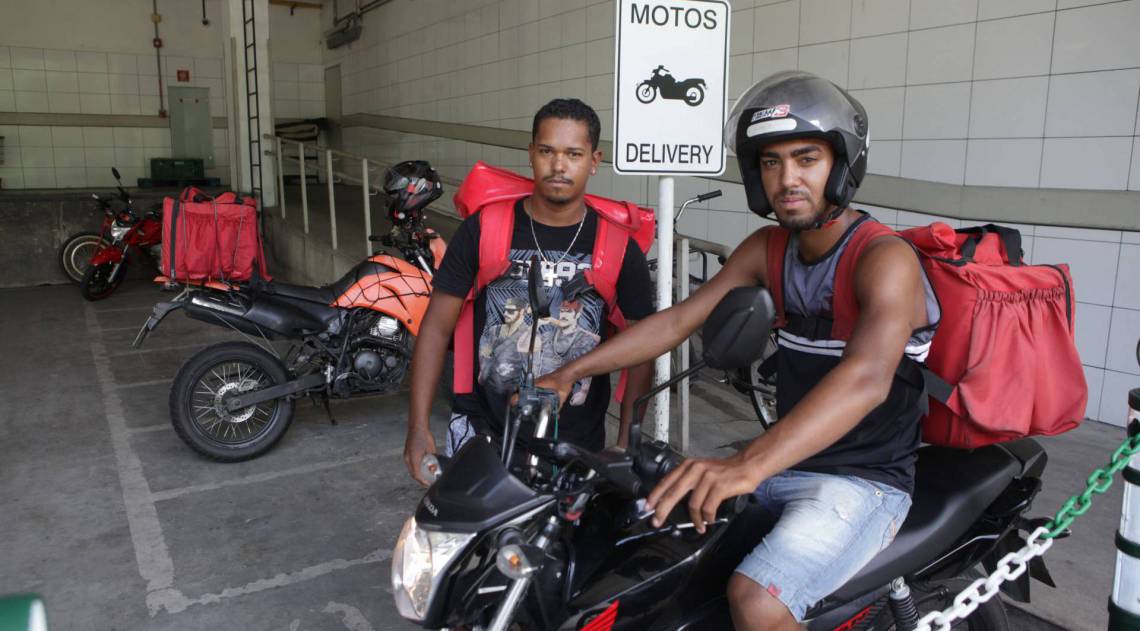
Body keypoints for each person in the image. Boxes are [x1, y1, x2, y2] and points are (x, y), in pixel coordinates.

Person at [537, 71, 940, 631]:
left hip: (864, 482)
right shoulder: (768, 248)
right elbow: (677, 321)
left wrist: (747, 465)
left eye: (806, 159)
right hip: (786, 460)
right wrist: (569, 373)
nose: (787, 179)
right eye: (771, 162)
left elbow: (867, 378)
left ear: (841, 164)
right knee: (649, 551)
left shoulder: (883, 259)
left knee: (757, 601)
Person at [404, 97, 655, 485]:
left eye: (573, 154)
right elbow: (436, 328)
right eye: (547, 151)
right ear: (531, 153)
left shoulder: (618, 246)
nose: (558, 166)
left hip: (576, 446)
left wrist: (626, 443)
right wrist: (418, 425)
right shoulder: (483, 229)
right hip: (482, 435)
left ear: (594, 160)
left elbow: (644, 348)